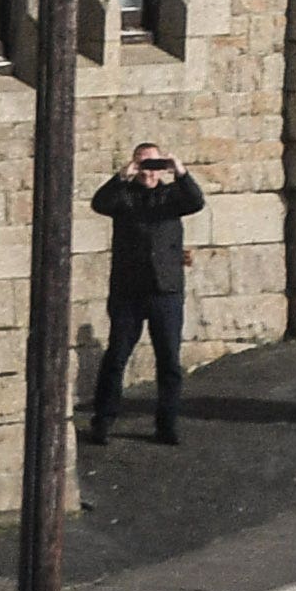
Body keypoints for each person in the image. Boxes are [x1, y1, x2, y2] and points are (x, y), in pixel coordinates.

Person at [83, 141, 210, 444]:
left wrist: (180, 172)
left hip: (165, 290)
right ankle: (103, 421)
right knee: (116, 357)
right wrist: (121, 177)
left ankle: (166, 424)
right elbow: (100, 203)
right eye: (143, 165)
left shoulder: (171, 196)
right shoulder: (124, 197)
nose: (149, 173)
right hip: (129, 290)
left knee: (168, 361)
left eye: (154, 165)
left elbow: (195, 201)